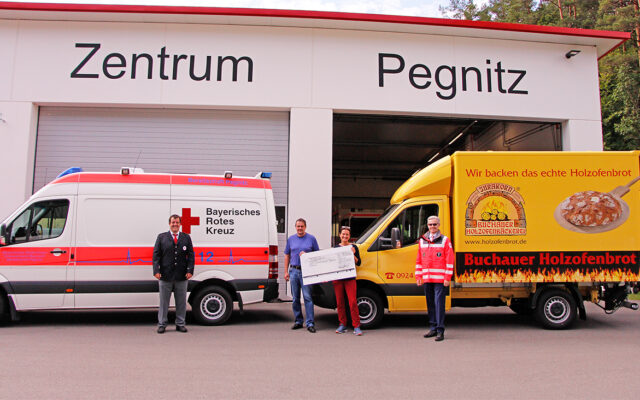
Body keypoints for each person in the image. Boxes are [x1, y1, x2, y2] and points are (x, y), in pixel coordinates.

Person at [153, 214, 195, 334]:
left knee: (181, 302)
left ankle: (180, 324)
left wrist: (189, 270)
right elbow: (156, 255)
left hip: (181, 275)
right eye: (173, 222)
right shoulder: (162, 237)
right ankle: (162, 324)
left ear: (180, 224)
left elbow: (191, 255)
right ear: (169, 224)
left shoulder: (186, 237)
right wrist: (156, 271)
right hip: (165, 275)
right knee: (163, 302)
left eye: (177, 222)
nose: (175, 224)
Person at [415, 215, 454, 341]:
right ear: (427, 225)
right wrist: (418, 275)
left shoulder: (445, 240)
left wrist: (447, 277)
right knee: (430, 304)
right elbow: (419, 260)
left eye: (435, 224)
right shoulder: (422, 240)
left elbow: (449, 260)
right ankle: (432, 328)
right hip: (427, 278)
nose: (432, 227)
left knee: (439, 304)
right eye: (430, 224)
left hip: (439, 279)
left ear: (439, 225)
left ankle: (440, 330)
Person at [284, 218, 320, 333]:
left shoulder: (311, 239)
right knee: (295, 298)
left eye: (302, 226)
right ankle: (298, 321)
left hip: (306, 272)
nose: (300, 228)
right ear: (295, 227)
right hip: (294, 271)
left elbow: (317, 255)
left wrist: (307, 255)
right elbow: (287, 256)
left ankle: (310, 323)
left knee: (308, 298)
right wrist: (286, 271)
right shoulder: (291, 239)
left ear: (305, 227)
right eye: (298, 226)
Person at [333, 226, 362, 336]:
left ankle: (356, 326)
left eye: (347, 234)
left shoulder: (353, 247)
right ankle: (342, 324)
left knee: (353, 302)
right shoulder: (335, 248)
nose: (345, 236)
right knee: (340, 302)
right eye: (343, 234)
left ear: (349, 236)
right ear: (340, 235)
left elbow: (359, 263)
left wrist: (353, 254)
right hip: (338, 278)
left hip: (350, 278)